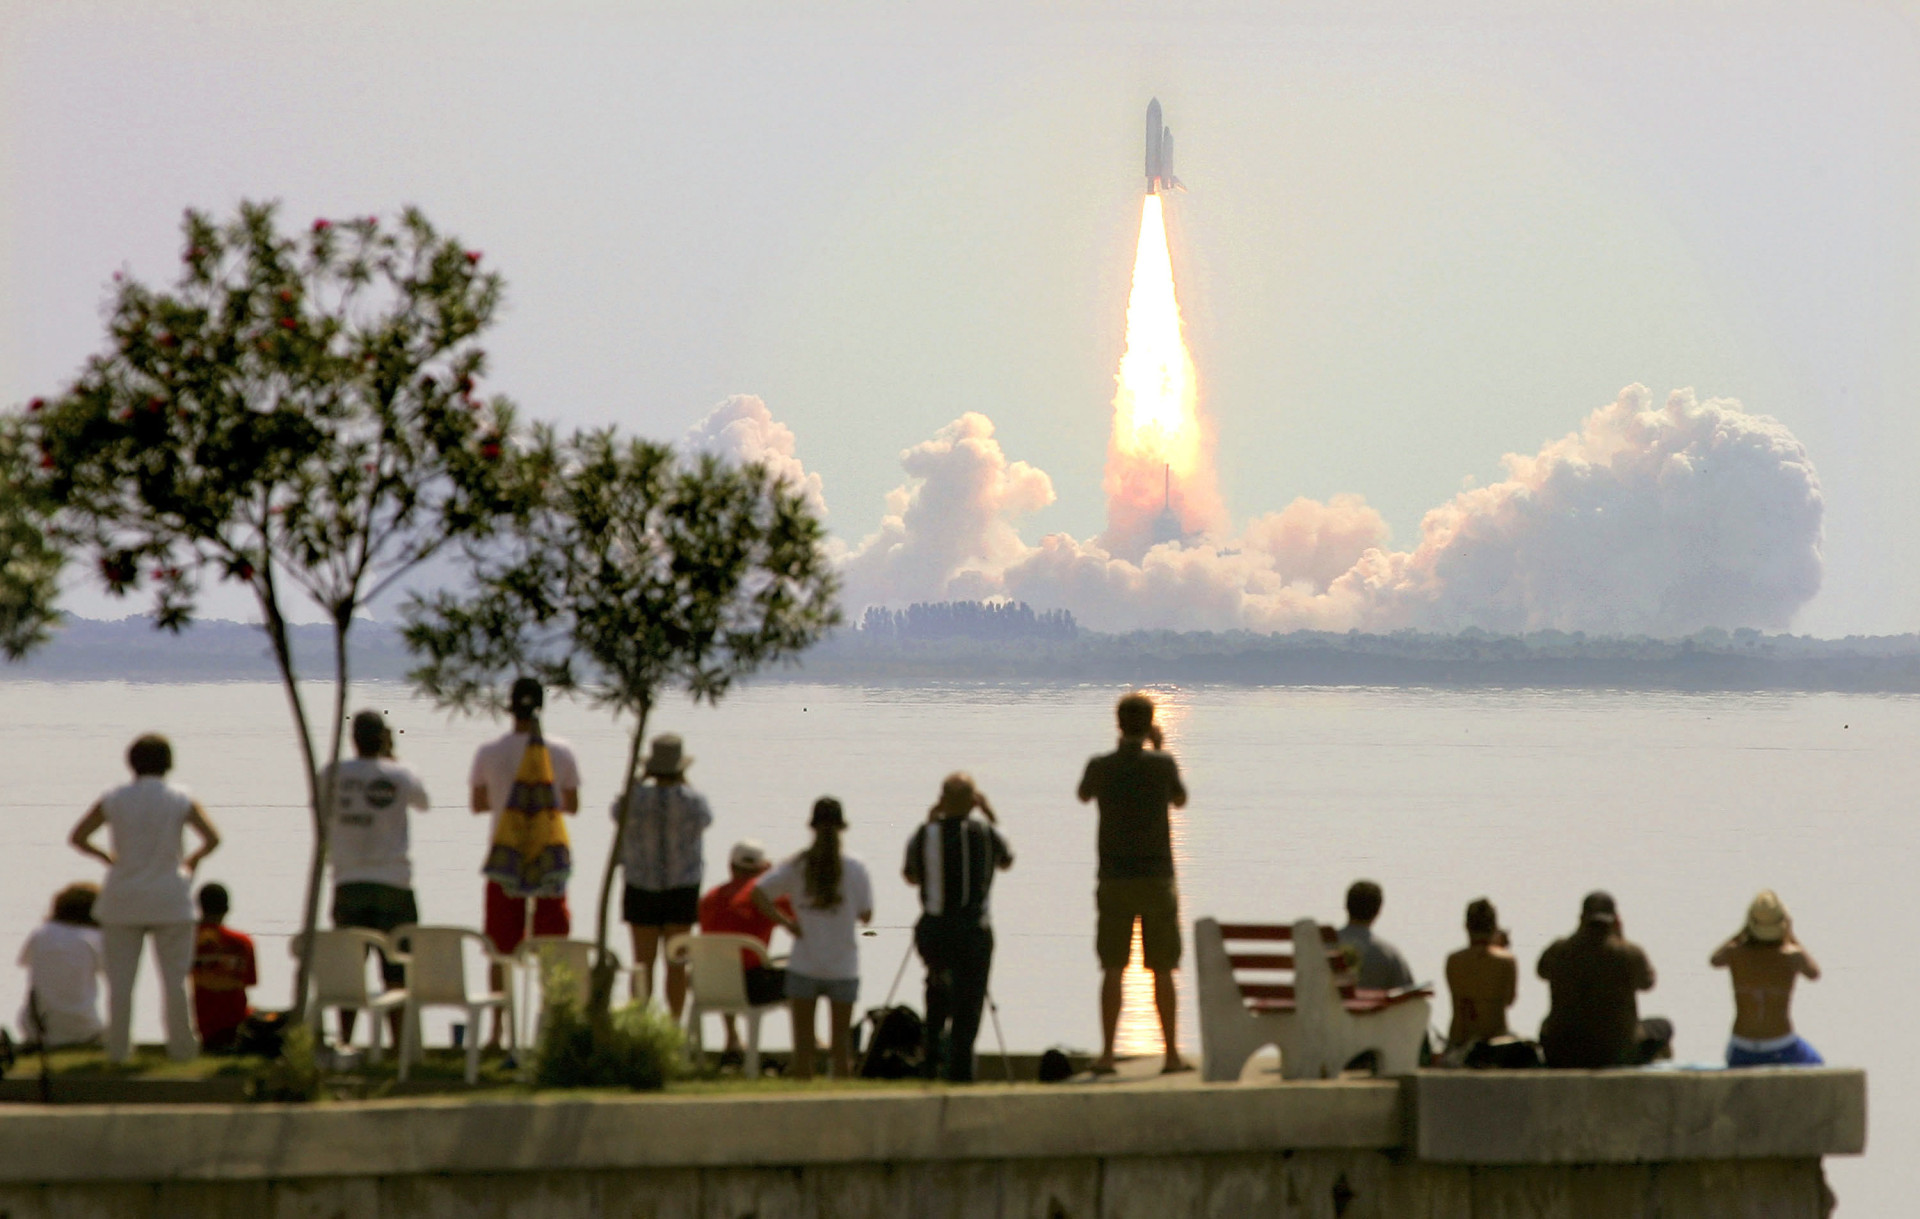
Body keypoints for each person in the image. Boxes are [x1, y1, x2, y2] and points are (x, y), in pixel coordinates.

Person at [69, 733, 220, 1063]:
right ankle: (183, 1051)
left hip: (123, 898)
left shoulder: (114, 798)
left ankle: (119, 1052)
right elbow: (212, 838)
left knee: (121, 985)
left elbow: (78, 837)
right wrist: (191, 861)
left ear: (131, 762)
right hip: (171, 898)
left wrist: (106, 857)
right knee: (175, 983)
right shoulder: (181, 797)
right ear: (168, 762)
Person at [1076, 691, 1190, 1075]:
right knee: (1162, 968)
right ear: (1150, 722)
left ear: (1118, 723)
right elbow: (1180, 799)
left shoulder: (1101, 766)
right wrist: (1159, 747)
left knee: (1112, 967)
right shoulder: (1162, 764)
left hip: (1114, 878)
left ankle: (1107, 1055)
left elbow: (1083, 794)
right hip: (1157, 878)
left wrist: (1117, 753)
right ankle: (1171, 1055)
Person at [470, 677, 580, 1046]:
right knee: (554, 947)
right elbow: (573, 806)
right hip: (548, 859)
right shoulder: (562, 751)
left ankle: (498, 1031)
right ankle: (553, 1027)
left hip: (505, 859)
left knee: (500, 949)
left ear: (509, 706)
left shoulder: (489, 751)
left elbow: (478, 804)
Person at [327, 709, 430, 1046]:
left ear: (352, 739)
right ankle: (398, 1045)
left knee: (348, 970)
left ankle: (344, 1041)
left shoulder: (331, 773)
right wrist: (390, 758)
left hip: (348, 882)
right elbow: (424, 802)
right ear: (383, 739)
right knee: (397, 970)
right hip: (394, 886)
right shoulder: (401, 774)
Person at [904, 773, 1014, 1082]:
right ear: (973, 803)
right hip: (973, 932)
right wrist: (991, 814)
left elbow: (910, 875)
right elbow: (1007, 859)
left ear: (942, 800)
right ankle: (960, 1071)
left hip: (934, 932)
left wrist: (931, 818)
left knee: (937, 995)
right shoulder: (986, 832)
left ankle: (931, 1062)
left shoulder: (925, 835)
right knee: (969, 1005)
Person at [753, 797, 873, 1080]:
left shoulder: (797, 865)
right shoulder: (856, 868)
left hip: (804, 963)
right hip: (843, 965)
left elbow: (759, 893)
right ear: (842, 827)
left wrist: (787, 923)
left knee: (803, 1051)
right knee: (841, 1052)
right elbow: (866, 915)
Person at [614, 734, 712, 1017]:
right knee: (677, 964)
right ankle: (674, 1026)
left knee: (642, 964)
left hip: (640, 886)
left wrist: (639, 781)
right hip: (682, 888)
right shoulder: (693, 801)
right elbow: (706, 820)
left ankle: (640, 1025)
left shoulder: (635, 800)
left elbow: (615, 811)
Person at [1537, 891, 1671, 1068]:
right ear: (1614, 920)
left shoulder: (1559, 950)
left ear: (1581, 918)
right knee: (1663, 1026)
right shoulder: (1628, 953)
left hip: (1562, 1053)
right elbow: (1647, 982)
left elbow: (1541, 971)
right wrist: (1621, 937)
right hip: (1615, 1053)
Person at [697, 839, 790, 1057]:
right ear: (763, 869)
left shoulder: (709, 898)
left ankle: (732, 1037)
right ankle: (813, 1040)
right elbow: (801, 924)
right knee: (802, 976)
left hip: (708, 983)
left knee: (725, 964)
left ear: (731, 867)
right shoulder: (768, 897)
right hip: (752, 987)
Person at [1711, 890, 1823, 1067]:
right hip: (1780, 1046)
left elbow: (1714, 960)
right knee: (1817, 1064)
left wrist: (1742, 931)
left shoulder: (1735, 953)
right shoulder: (1792, 956)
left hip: (1742, 1046)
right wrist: (1792, 936)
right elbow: (1814, 973)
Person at [15, 883, 104, 1049]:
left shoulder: (40, 934)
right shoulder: (95, 938)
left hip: (36, 1028)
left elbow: (24, 962)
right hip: (83, 1029)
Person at [189, 883, 256, 1052]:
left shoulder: (188, 942)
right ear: (227, 908)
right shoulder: (242, 942)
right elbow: (247, 982)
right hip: (236, 1025)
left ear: (199, 907)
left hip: (203, 1025)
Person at [1445, 897, 1517, 1049]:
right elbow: (1509, 1000)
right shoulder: (1506, 961)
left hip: (1460, 1042)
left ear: (1466, 926)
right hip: (1496, 1042)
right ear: (1494, 927)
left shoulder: (1454, 961)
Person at [1337, 881, 1415, 991]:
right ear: (1378, 911)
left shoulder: (1322, 946)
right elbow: (1408, 996)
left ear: (1346, 906)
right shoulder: (1389, 954)